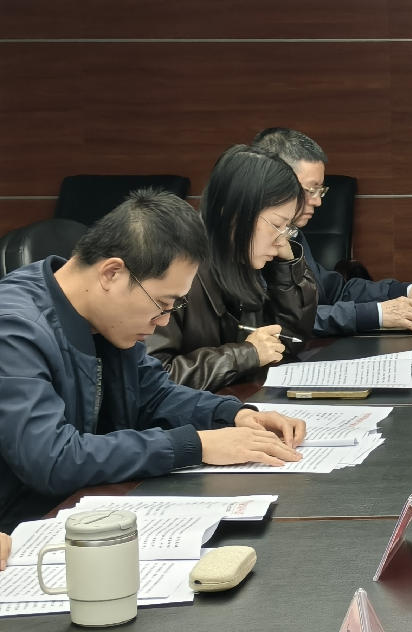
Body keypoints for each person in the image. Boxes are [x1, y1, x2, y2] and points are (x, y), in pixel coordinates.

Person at [0, 191, 305, 533]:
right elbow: (53, 459)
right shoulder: (13, 329)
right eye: (162, 303)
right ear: (111, 273)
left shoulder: (103, 319)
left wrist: (232, 414)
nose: (163, 321)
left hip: (91, 510)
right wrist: (196, 445)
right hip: (23, 531)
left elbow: (154, 394)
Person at [145, 146, 318, 391]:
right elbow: (153, 379)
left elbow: (286, 343)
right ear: (233, 215)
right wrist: (245, 354)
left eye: (288, 227)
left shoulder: (244, 259)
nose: (282, 240)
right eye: (277, 224)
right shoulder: (169, 265)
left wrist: (287, 267)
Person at [251, 128, 412, 334]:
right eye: (311, 190)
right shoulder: (248, 242)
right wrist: (374, 314)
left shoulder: (293, 234)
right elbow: (282, 322)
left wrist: (406, 291)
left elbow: (334, 291)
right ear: (275, 184)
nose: (318, 202)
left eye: (320, 191)